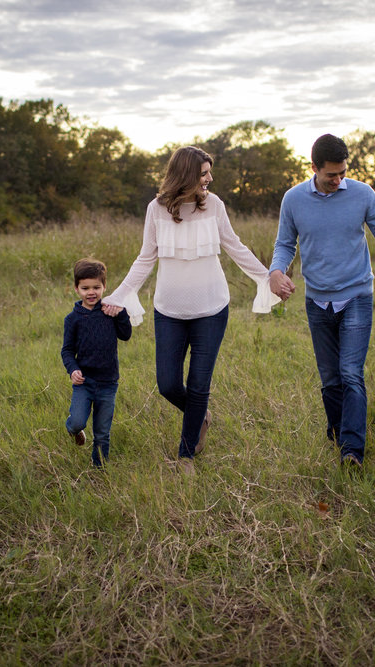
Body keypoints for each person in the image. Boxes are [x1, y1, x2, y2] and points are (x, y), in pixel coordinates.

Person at [102, 146, 281, 475]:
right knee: (168, 384)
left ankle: (186, 456)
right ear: (185, 175)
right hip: (168, 310)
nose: (210, 179)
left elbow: (234, 245)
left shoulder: (214, 205)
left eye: (209, 172)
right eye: (203, 173)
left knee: (199, 385)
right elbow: (145, 258)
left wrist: (266, 278)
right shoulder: (155, 209)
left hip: (212, 309)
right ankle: (200, 415)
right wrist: (118, 294)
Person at [268, 133, 375, 469]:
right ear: (313, 168)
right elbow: (285, 244)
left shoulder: (361, 194)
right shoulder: (293, 199)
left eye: (342, 173)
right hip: (317, 301)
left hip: (356, 296)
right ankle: (339, 433)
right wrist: (276, 272)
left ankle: (352, 451)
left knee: (350, 373)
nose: (338, 180)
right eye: (331, 175)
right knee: (330, 378)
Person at [61, 257, 132, 468]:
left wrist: (121, 314)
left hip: (108, 383)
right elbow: (67, 351)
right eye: (85, 288)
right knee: (77, 422)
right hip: (84, 382)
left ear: (104, 287)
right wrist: (72, 370)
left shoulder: (110, 312)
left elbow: (125, 335)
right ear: (76, 289)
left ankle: (99, 468)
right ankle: (73, 430)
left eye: (96, 287)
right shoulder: (72, 319)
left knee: (102, 432)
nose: (91, 292)